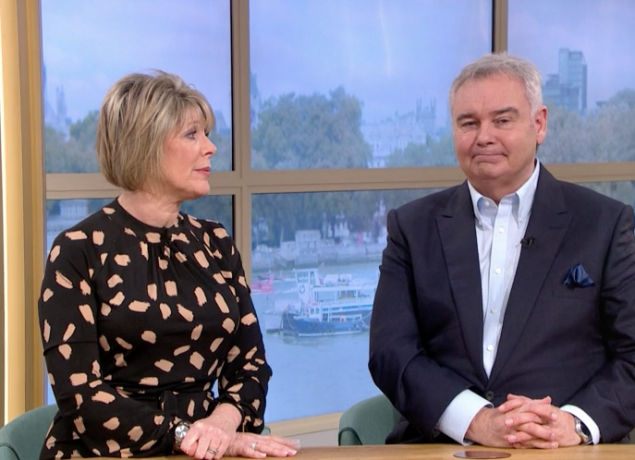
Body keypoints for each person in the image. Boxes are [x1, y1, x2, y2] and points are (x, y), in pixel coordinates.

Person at [369, 53, 635, 449]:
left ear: (539, 124)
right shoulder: (411, 227)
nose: (484, 137)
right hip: (444, 446)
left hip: (563, 449)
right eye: (468, 123)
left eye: (502, 120)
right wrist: (476, 420)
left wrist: (573, 424)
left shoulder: (604, 223)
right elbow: (390, 351)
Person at [38, 71, 299, 459]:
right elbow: (80, 395)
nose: (210, 147)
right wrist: (185, 435)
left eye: (206, 133)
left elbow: (251, 366)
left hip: (204, 450)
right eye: (192, 134)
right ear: (144, 145)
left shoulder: (216, 243)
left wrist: (223, 425)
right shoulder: (77, 251)